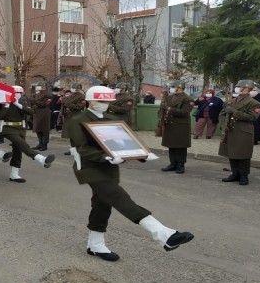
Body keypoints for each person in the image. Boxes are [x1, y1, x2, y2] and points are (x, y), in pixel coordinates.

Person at [67, 85, 193, 261]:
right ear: (90, 101)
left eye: (107, 101)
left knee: (102, 205)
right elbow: (81, 149)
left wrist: (142, 154)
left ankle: (95, 244)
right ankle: (163, 234)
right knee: (120, 198)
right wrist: (105, 157)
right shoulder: (77, 120)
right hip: (89, 168)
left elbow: (125, 142)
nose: (104, 104)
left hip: (109, 168)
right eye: (101, 100)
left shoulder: (111, 118)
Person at [0, 85, 55, 183]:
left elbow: (32, 112)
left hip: (20, 128)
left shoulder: (23, 101)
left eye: (19, 93)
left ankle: (14, 174)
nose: (17, 95)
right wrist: (6, 105)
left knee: (18, 150)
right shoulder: (2, 102)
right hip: (8, 128)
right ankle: (40, 158)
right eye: (15, 93)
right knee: (22, 144)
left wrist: (19, 105)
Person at [219, 80, 260, 186]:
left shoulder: (255, 103)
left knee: (243, 155)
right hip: (230, 130)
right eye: (238, 87)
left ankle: (244, 176)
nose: (239, 89)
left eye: (243, 87)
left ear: (249, 90)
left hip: (243, 131)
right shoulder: (232, 101)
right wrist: (223, 125)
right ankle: (235, 174)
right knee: (232, 153)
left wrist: (234, 111)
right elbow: (222, 114)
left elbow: (252, 117)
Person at [158, 80, 193, 174]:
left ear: (180, 87)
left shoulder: (187, 99)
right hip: (170, 124)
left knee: (180, 147)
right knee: (171, 145)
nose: (171, 88)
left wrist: (170, 109)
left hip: (180, 126)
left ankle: (181, 165)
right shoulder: (169, 97)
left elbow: (185, 112)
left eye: (173, 86)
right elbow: (163, 108)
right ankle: (172, 163)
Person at [61, 83, 87, 155]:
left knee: (76, 135)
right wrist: (68, 103)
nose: (71, 89)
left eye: (73, 87)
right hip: (69, 116)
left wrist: (69, 104)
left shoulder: (81, 96)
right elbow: (63, 101)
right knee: (71, 135)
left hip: (76, 116)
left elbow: (79, 107)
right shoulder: (71, 95)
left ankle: (78, 150)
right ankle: (73, 150)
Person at [31, 82, 52, 151]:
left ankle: (44, 144)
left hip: (44, 114)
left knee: (44, 130)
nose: (37, 87)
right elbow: (32, 102)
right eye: (37, 86)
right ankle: (40, 144)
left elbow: (43, 104)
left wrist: (34, 101)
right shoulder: (35, 95)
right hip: (37, 113)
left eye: (39, 86)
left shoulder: (47, 95)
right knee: (38, 129)